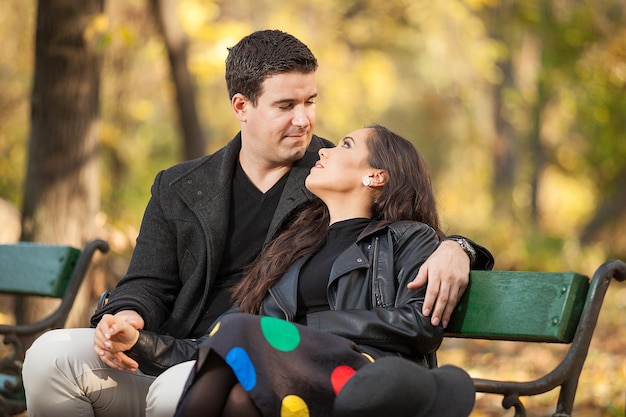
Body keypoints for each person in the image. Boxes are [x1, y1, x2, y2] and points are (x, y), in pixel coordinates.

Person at [22, 30, 493, 417]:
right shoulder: (179, 185)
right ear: (242, 106)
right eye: (286, 106)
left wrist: (460, 248)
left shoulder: (326, 176)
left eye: (311, 101)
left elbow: (398, 215)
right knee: (51, 356)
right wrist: (125, 319)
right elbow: (146, 281)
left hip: (259, 363)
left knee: (184, 388)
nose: (305, 121)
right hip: (170, 349)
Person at [98, 125, 478, 417]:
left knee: (238, 332)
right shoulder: (294, 248)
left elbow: (421, 325)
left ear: (376, 176)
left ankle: (411, 395)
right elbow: (215, 342)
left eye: (345, 145)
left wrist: (309, 327)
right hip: (292, 374)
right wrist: (139, 342)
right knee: (236, 396)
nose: (325, 151)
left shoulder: (409, 237)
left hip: (366, 371)